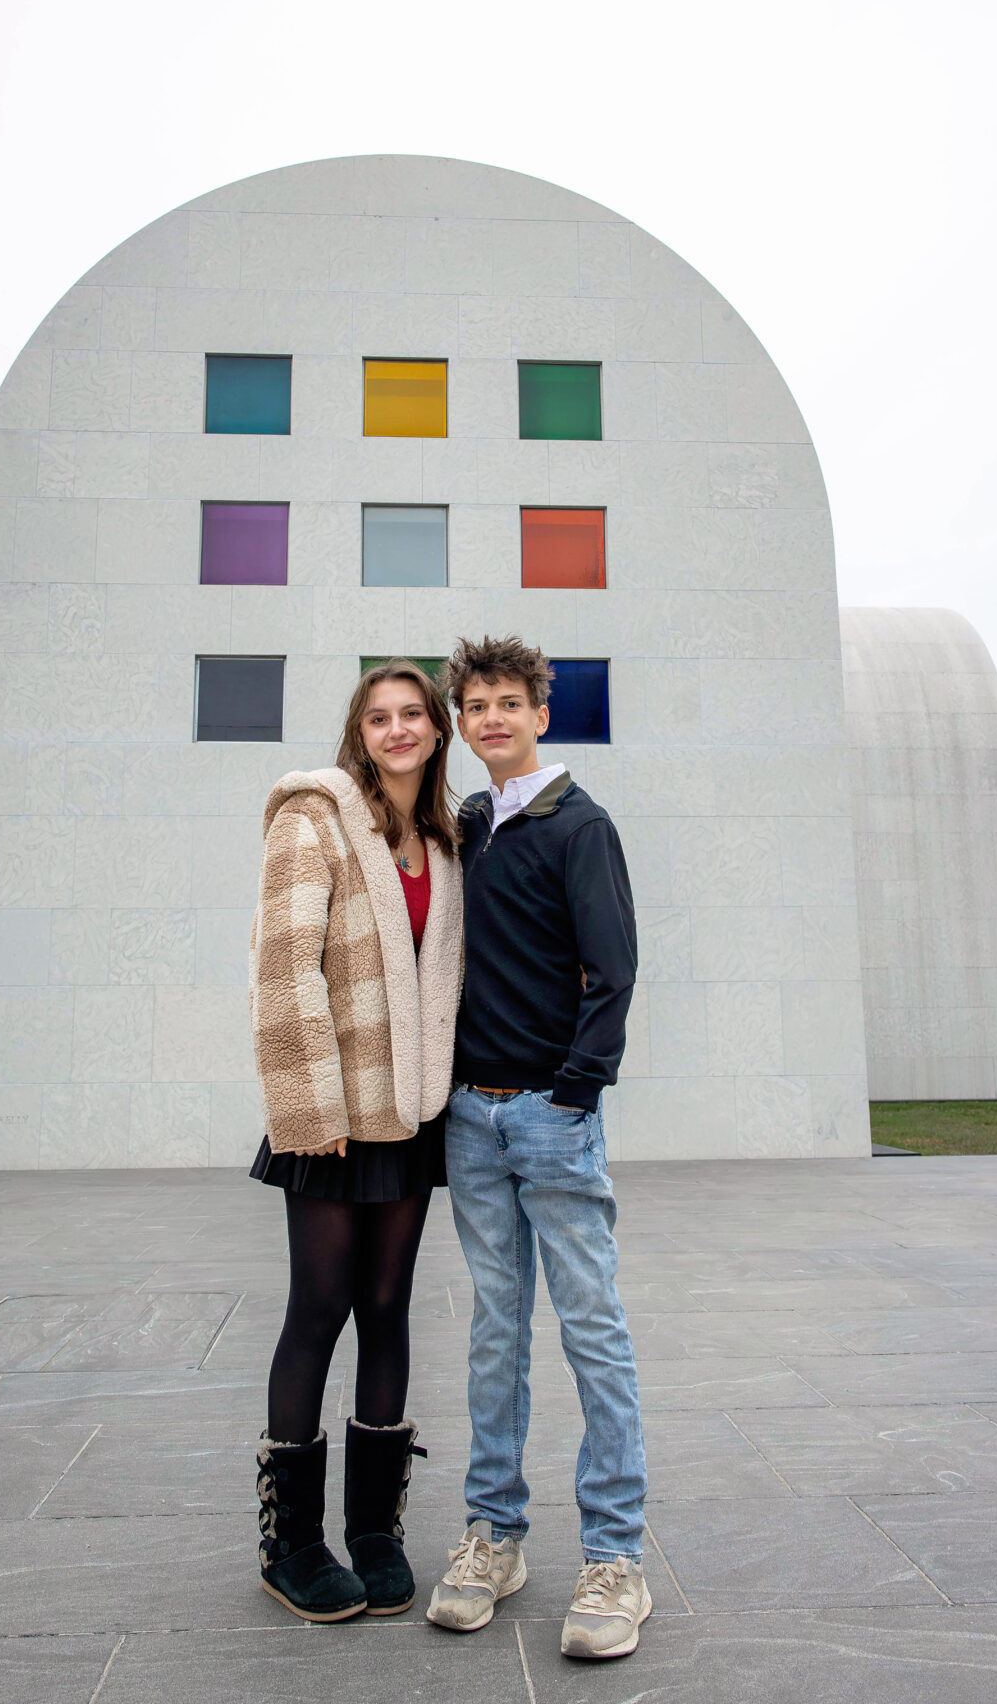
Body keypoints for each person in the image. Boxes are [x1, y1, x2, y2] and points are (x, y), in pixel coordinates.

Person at [425, 634, 650, 1661]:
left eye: (509, 702)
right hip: (470, 1119)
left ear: (537, 715)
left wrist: (574, 1092)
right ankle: (493, 1537)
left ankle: (614, 1559)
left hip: (552, 1119)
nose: (492, 719)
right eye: (475, 706)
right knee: (493, 1333)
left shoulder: (578, 825)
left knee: (590, 1328)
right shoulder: (469, 826)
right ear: (461, 723)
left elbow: (612, 970)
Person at [248, 660, 463, 1623]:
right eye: (380, 716)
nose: (398, 729)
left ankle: (373, 1529)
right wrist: (310, 1107)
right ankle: (291, 1544)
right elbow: (284, 963)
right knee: (320, 1305)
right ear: (358, 731)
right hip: (332, 1116)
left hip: (408, 1113)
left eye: (414, 714)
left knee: (387, 1305)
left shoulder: (444, 841)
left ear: (437, 728)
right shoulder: (316, 817)